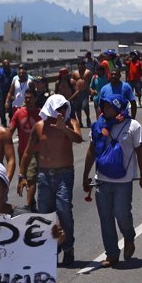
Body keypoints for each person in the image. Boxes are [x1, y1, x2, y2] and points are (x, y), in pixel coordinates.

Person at [83, 94, 142, 268]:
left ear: (119, 107)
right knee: (105, 218)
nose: (105, 109)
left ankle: (128, 237)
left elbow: (140, 152)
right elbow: (91, 151)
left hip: (123, 181)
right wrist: (85, 175)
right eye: (103, 106)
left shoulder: (133, 126)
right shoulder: (98, 126)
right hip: (102, 179)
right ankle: (112, 253)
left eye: (109, 106)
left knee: (121, 213)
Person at [19, 94, 83, 265]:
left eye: (64, 108)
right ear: (50, 108)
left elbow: (78, 139)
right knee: (45, 215)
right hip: (45, 176)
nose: (62, 111)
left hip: (64, 174)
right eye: (58, 108)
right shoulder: (39, 127)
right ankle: (51, 248)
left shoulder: (70, 123)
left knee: (64, 210)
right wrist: (22, 175)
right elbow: (27, 151)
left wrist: (64, 129)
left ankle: (68, 247)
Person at [10, 89, 42, 211]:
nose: (28, 100)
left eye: (30, 97)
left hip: (36, 151)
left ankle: (28, 206)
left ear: (35, 99)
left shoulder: (41, 114)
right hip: (22, 151)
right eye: (26, 97)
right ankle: (32, 203)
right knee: (25, 177)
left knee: (30, 178)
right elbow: (11, 131)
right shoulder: (18, 113)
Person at [70, 60, 93, 128]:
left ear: (84, 65)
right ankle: (80, 121)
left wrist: (90, 90)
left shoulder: (88, 72)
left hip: (85, 91)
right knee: (77, 108)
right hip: (77, 92)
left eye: (81, 64)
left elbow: (90, 82)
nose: (80, 66)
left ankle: (88, 118)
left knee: (85, 106)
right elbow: (72, 82)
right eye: (79, 65)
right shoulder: (75, 73)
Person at [0, 60, 17, 126]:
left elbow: (16, 82)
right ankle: (3, 122)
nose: (7, 66)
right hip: (2, 92)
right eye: (5, 65)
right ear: (3, 65)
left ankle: (11, 118)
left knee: (10, 107)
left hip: (10, 92)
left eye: (8, 64)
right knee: (1, 109)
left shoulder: (13, 72)